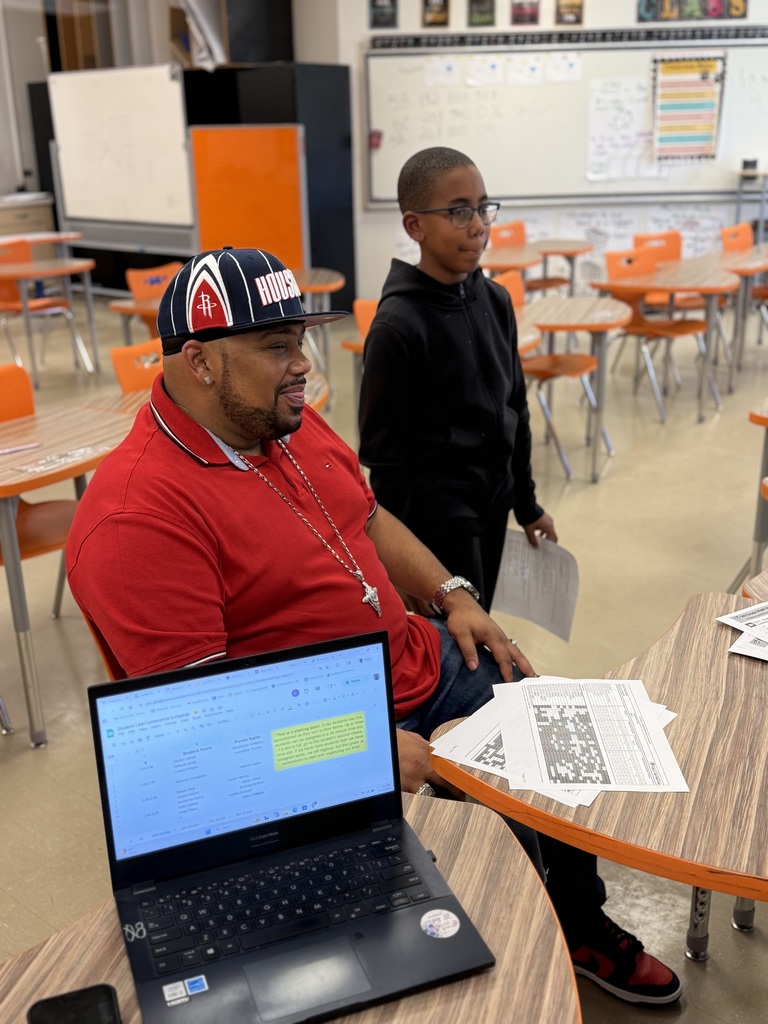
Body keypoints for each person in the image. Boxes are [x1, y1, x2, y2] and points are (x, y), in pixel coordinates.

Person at [66, 247, 680, 1007]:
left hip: (425, 661)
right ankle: (529, 951)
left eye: (302, 339)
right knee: (500, 859)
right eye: (276, 346)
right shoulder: (138, 515)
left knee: (563, 763)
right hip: (318, 734)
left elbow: (366, 513)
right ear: (200, 362)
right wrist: (366, 748)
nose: (303, 365)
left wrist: (453, 593)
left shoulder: (277, 416)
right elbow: (200, 730)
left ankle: (579, 923)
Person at [358, 146, 556, 612]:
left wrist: (525, 503)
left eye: (483, 207)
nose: (478, 225)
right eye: (458, 212)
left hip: (495, 505)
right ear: (415, 226)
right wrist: (399, 567)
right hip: (438, 524)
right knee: (457, 643)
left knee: (484, 621)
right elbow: (386, 466)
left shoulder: (496, 300)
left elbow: (516, 409)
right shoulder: (397, 327)